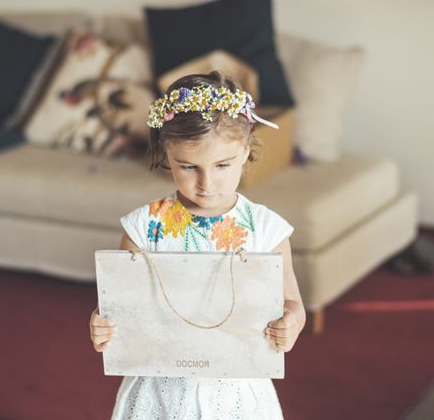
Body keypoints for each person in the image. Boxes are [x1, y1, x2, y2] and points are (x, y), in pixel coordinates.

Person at [89, 71, 306, 418]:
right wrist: (103, 324)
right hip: (159, 391)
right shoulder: (144, 228)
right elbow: (124, 307)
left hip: (237, 391)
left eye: (222, 165)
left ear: (246, 150)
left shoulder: (267, 229)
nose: (207, 184)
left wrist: (291, 323)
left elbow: (292, 302)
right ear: (166, 155)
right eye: (188, 167)